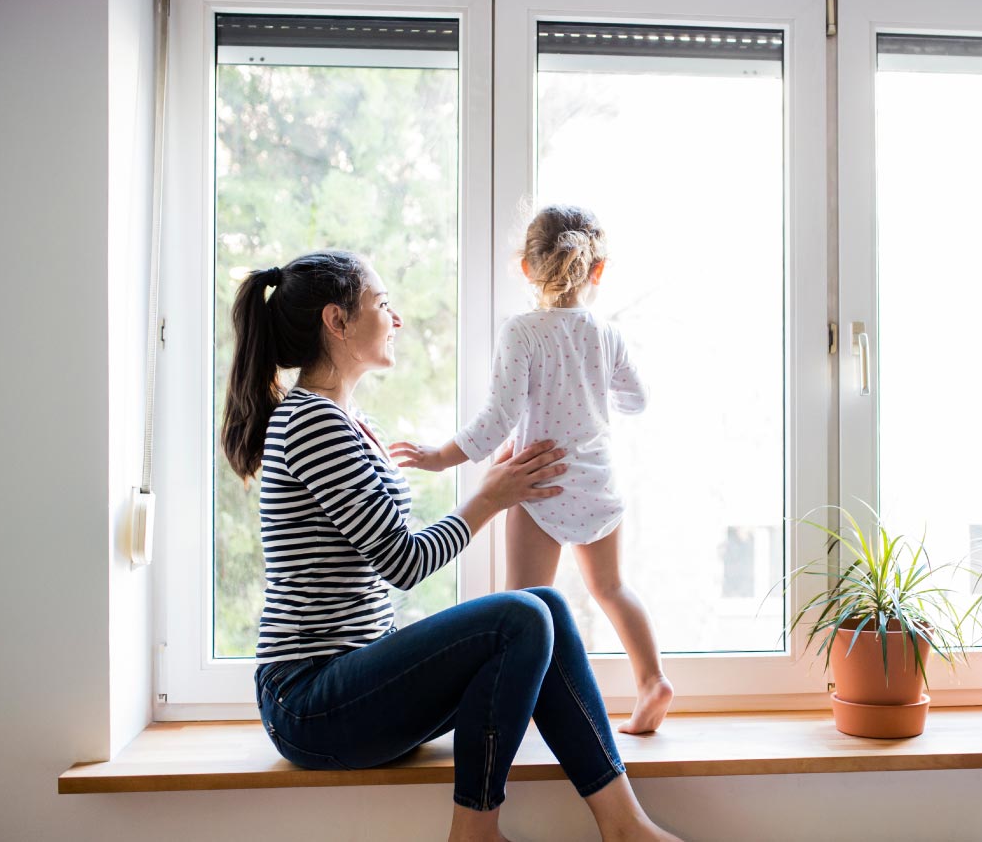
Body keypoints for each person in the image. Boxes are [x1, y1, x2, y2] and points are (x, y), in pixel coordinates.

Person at [222, 249, 679, 842]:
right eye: (382, 304)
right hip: (309, 700)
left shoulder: (350, 421)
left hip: (351, 683)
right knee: (519, 616)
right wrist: (490, 497)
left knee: (546, 605)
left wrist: (496, 489)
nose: (396, 318)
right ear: (336, 322)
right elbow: (404, 562)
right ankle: (475, 834)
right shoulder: (312, 422)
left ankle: (626, 827)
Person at [391, 205, 673, 735]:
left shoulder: (521, 333)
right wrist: (591, 387)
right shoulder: (605, 333)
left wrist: (437, 456)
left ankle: (518, 713)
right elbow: (637, 399)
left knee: (523, 608)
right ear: (598, 270)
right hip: (596, 481)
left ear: (526, 267)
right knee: (611, 588)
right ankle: (652, 679)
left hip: (537, 481)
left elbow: (497, 421)